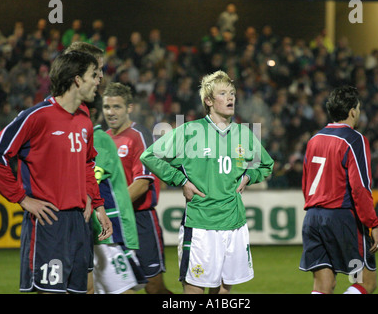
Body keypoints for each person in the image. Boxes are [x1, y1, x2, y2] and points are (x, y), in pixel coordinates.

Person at [0, 51, 112, 293]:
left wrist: (97, 204)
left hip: (79, 222)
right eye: (93, 75)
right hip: (49, 223)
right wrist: (21, 198)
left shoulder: (84, 118)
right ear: (76, 79)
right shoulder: (36, 116)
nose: (99, 80)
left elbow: (87, 164)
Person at [140, 70, 274, 294]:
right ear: (209, 101)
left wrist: (249, 176)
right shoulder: (190, 132)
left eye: (232, 93)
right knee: (194, 291)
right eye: (223, 93)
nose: (231, 98)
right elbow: (149, 156)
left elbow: (266, 164)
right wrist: (180, 179)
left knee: (223, 292)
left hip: (234, 224)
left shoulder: (244, 134)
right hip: (201, 225)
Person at [65, 41, 147, 294]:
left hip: (104, 229)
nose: (101, 77)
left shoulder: (105, 138)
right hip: (93, 228)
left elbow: (141, 182)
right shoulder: (87, 133)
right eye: (97, 71)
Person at [299, 85, 378, 294]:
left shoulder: (314, 139)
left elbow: (306, 184)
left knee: (323, 286)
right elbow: (361, 188)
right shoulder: (355, 139)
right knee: (365, 282)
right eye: (359, 108)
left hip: (313, 219)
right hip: (342, 219)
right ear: (353, 111)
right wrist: (373, 225)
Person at [102, 82, 172, 294]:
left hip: (140, 220)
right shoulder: (103, 139)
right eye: (107, 107)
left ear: (129, 108)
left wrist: (110, 207)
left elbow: (141, 184)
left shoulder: (139, 136)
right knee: (116, 287)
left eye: (117, 107)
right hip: (114, 223)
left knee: (154, 289)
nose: (111, 112)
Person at [86, 97, 147, 294]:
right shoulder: (87, 138)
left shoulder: (97, 138)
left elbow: (94, 178)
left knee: (121, 289)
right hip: (93, 230)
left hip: (106, 232)